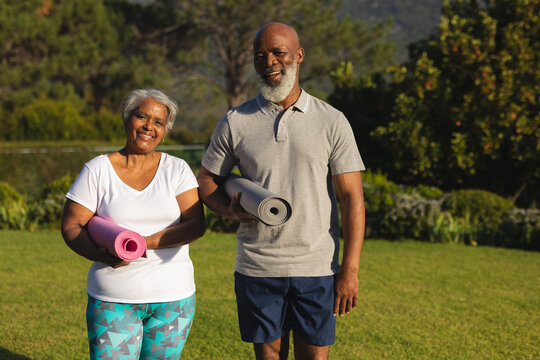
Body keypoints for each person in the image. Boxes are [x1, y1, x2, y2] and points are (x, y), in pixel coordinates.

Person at [197, 22, 365, 360]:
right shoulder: (235, 121)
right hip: (257, 266)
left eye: (278, 53)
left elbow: (351, 198)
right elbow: (206, 180)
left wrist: (350, 270)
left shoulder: (331, 120)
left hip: (316, 267)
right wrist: (230, 210)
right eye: (261, 55)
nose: (269, 61)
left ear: (299, 56)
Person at [61, 89, 205, 360]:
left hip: (173, 300)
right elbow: (71, 226)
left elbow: (195, 225)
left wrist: (144, 243)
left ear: (165, 130)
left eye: (158, 122)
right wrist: (102, 255)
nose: (149, 126)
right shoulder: (98, 170)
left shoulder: (177, 169)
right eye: (142, 116)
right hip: (114, 299)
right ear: (127, 118)